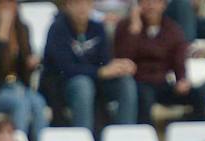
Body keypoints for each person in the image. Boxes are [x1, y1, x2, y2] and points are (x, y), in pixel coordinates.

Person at [42, 0, 138, 132]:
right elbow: (65, 67)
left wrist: (118, 67)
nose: (82, 8)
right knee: (83, 84)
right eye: (77, 3)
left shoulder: (97, 28)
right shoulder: (57, 29)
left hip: (96, 83)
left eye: (86, 3)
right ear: (68, 6)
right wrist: (99, 72)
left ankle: (124, 134)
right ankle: (83, 137)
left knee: (126, 82)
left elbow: (104, 62)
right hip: (63, 85)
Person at [115, 0, 205, 123]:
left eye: (155, 2)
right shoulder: (125, 26)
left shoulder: (172, 29)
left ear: (164, 5)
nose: (150, 6)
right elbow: (123, 59)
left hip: (161, 83)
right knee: (145, 96)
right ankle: (146, 137)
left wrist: (181, 79)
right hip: (136, 83)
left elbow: (179, 58)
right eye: (145, 2)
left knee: (200, 94)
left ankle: (191, 130)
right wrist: (134, 30)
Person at [0, 0, 49, 140]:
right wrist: (3, 27)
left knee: (38, 102)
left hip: (18, 85)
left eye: (11, 5)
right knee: (20, 103)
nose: (8, 10)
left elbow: (26, 59)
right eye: (3, 6)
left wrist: (31, 62)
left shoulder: (23, 28)